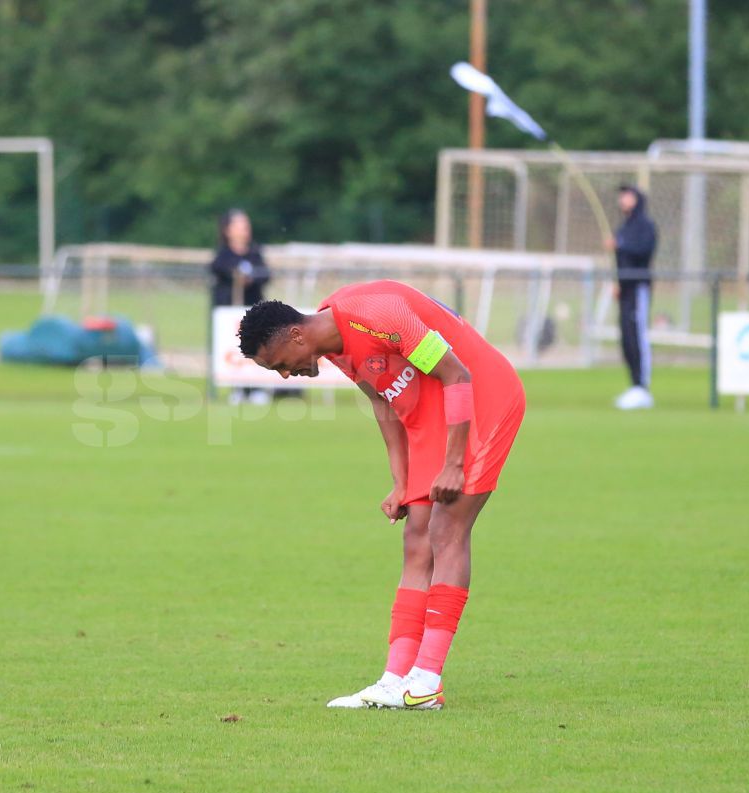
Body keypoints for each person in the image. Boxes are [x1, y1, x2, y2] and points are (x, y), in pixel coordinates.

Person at [237, 280, 525, 710]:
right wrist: (401, 481)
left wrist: (453, 464)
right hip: (432, 411)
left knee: (447, 529)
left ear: (296, 335)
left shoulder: (377, 317)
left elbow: (457, 374)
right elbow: (382, 402)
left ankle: (426, 681)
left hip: (482, 397)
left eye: (280, 364)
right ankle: (395, 679)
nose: (284, 375)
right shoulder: (333, 344)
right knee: (416, 541)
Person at [210, 209, 272, 405]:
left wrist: (251, 279)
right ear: (228, 230)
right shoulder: (223, 255)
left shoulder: (255, 253)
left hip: (253, 310)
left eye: (246, 225)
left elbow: (265, 274)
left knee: (256, 348)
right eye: (239, 226)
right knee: (234, 348)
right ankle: (237, 388)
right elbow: (219, 272)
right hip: (231, 312)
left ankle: (256, 388)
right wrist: (236, 278)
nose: (245, 230)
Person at [610, 185, 657, 410]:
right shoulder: (624, 227)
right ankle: (633, 384)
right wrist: (618, 283)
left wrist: (621, 244)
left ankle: (642, 387)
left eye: (627, 195)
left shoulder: (645, 226)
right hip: (625, 289)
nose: (623, 199)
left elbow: (644, 250)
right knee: (626, 337)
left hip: (638, 288)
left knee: (638, 336)